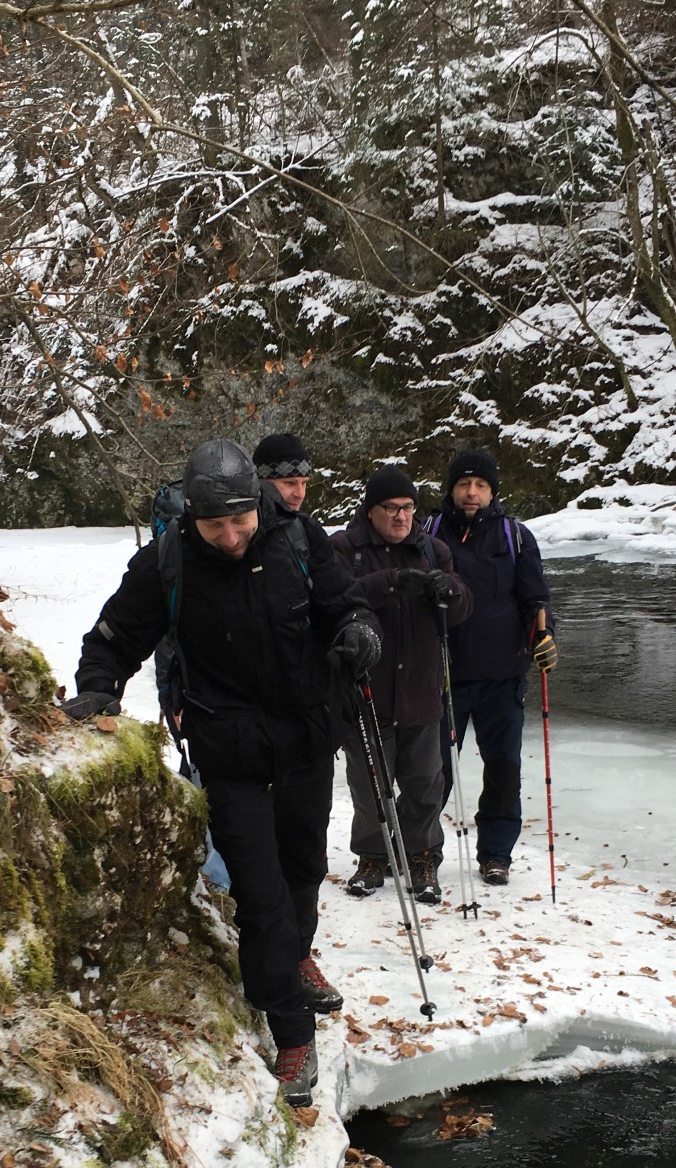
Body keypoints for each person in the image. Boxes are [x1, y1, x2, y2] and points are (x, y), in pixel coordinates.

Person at [68, 440, 382, 1105]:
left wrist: (360, 631)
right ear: (194, 518)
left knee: (302, 869)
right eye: (216, 527)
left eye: (240, 522)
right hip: (230, 751)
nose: (232, 537)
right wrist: (98, 687)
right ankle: (292, 1031)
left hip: (305, 739)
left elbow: (346, 604)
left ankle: (296, 955)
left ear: (257, 505)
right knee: (261, 896)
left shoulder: (298, 539)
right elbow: (114, 638)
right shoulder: (167, 562)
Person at [330, 466, 471, 903]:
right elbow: (334, 599)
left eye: (408, 507)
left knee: (425, 783)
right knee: (369, 784)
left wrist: (448, 590)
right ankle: (373, 856)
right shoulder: (345, 548)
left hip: (422, 693)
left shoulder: (434, 550)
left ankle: (422, 856)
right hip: (367, 695)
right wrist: (391, 583)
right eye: (391, 508)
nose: (401, 516)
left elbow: (463, 608)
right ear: (371, 510)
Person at [428, 448, 556, 887]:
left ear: (492, 491)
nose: (471, 492)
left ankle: (496, 854)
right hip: (442, 676)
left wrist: (544, 636)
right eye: (464, 484)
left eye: (480, 485)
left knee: (502, 769)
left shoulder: (515, 536)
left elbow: (536, 600)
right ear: (451, 489)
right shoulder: (429, 532)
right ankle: (422, 849)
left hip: (502, 677)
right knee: (432, 772)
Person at [252, 431, 312, 512]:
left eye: (304, 483)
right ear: (261, 482)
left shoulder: (302, 520)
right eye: (290, 483)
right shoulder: (239, 518)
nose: (300, 494)